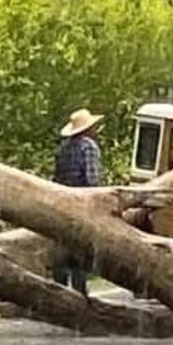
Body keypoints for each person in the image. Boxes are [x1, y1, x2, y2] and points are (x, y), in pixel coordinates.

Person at [52, 109, 104, 295]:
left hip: (62, 203)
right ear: (88, 129)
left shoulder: (63, 149)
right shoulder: (88, 147)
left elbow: (56, 178)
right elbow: (92, 180)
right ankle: (79, 294)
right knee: (80, 253)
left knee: (63, 249)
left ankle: (58, 291)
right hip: (82, 204)